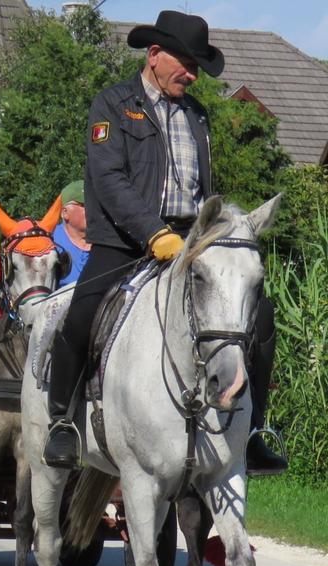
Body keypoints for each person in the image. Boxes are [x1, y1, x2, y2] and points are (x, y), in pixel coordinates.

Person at [42, 10, 286, 474]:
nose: (192, 75)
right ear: (154, 55)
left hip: (191, 243)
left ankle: (254, 429)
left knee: (259, 317)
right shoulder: (112, 105)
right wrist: (153, 233)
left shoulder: (198, 114)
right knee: (81, 315)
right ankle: (62, 425)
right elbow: (109, 180)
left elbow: (204, 188)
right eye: (186, 63)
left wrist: (206, 235)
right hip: (123, 242)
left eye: (197, 66)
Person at [52, 180, 91, 288]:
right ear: (65, 212)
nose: (93, 209)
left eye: (96, 204)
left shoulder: (108, 240)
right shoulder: (50, 243)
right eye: (85, 205)